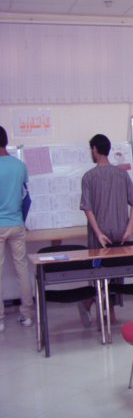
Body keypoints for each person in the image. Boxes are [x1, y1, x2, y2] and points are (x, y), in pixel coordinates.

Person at [79, 134, 133, 325]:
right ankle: (98, 308)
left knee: (101, 273)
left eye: (91, 149)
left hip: (101, 235)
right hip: (120, 233)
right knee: (112, 273)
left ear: (95, 149)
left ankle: (102, 308)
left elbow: (87, 209)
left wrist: (98, 233)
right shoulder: (121, 174)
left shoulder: (89, 177)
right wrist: (129, 228)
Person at [0, 126, 33, 331]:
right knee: (22, 269)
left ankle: (0, 320)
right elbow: (26, 197)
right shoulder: (20, 166)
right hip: (17, 224)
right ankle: (27, 315)